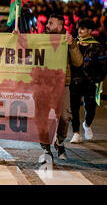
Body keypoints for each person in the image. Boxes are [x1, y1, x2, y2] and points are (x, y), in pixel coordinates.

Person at [38, 14, 83, 162]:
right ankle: (45, 149)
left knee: (64, 117)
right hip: (44, 85)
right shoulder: (40, 39)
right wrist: (17, 37)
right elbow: (24, 49)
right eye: (48, 23)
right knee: (43, 118)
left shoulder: (67, 40)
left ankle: (60, 141)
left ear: (60, 26)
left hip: (62, 84)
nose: (47, 25)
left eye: (51, 23)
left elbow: (78, 62)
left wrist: (73, 46)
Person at [69, 18, 107, 143]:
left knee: (90, 108)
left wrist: (96, 79)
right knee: (74, 108)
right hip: (74, 81)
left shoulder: (97, 46)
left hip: (89, 82)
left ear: (90, 31)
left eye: (83, 28)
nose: (80, 30)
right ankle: (76, 133)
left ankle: (87, 124)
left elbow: (104, 66)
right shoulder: (73, 43)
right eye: (79, 28)